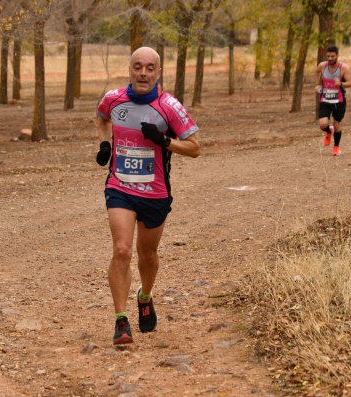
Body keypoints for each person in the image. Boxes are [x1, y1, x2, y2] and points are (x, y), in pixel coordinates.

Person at [95, 47, 200, 345]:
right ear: (129, 69)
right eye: (138, 67)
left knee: (147, 255)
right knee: (122, 250)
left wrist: (164, 141)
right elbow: (101, 117)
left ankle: (145, 295)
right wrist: (105, 145)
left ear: (158, 72)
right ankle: (121, 322)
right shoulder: (114, 99)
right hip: (120, 188)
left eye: (150, 68)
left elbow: (195, 147)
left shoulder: (169, 107)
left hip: (155, 193)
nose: (143, 73)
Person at [315, 45, 351, 156]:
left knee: (337, 124)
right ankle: (328, 131)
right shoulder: (322, 66)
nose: (330, 58)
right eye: (328, 56)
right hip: (325, 100)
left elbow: (350, 83)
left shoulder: (343, 68)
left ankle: (336, 148)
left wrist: (341, 83)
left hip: (339, 101)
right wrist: (317, 84)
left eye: (332, 56)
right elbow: (317, 72)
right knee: (322, 124)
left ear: (337, 55)